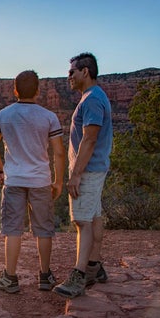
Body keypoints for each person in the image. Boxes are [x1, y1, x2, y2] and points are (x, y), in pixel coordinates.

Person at [0, 70, 65, 293]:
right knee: (44, 229)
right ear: (38, 91)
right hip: (41, 180)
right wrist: (58, 182)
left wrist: (0, 170)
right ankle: (45, 277)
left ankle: (10, 277)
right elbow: (59, 152)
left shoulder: (4, 114)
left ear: (15, 90)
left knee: (13, 229)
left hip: (14, 180)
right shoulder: (49, 117)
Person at [53, 52, 112, 298]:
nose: (69, 78)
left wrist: (75, 175)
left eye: (71, 72)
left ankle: (78, 277)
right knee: (94, 217)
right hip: (95, 168)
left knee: (82, 222)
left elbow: (89, 139)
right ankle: (94, 268)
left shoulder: (91, 100)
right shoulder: (95, 97)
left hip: (87, 171)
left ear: (84, 72)